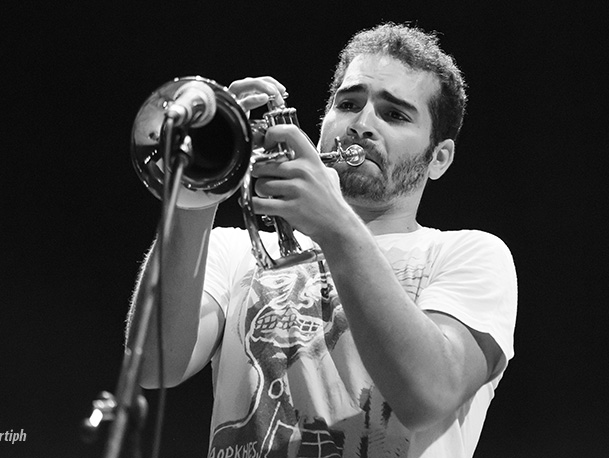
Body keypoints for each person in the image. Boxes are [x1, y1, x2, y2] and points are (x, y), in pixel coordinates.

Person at [128, 22, 517, 458]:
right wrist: (200, 184)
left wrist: (335, 226)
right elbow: (153, 366)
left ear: (439, 158)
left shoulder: (469, 254)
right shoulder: (232, 250)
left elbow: (428, 395)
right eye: (348, 103)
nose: (362, 124)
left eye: (394, 115)